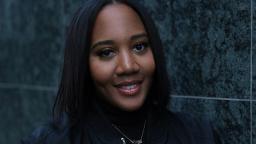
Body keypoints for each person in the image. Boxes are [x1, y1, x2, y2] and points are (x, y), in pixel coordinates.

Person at [22, 0, 218, 143]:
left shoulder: (198, 136)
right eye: (106, 52)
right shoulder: (53, 141)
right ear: (83, 64)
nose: (128, 66)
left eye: (139, 47)